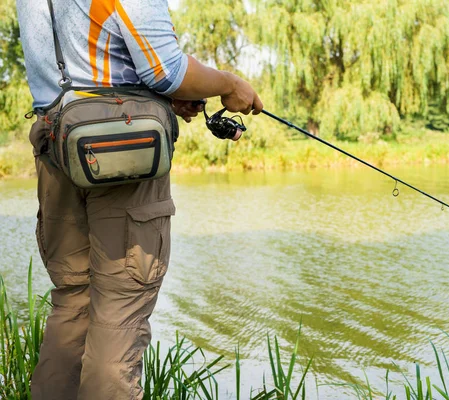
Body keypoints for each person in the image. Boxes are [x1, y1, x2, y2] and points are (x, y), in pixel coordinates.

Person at [15, 0, 263, 399]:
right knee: (120, 310)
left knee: (72, 303)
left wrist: (161, 97)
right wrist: (230, 84)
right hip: (120, 153)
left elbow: (85, 66)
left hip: (55, 144)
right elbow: (167, 71)